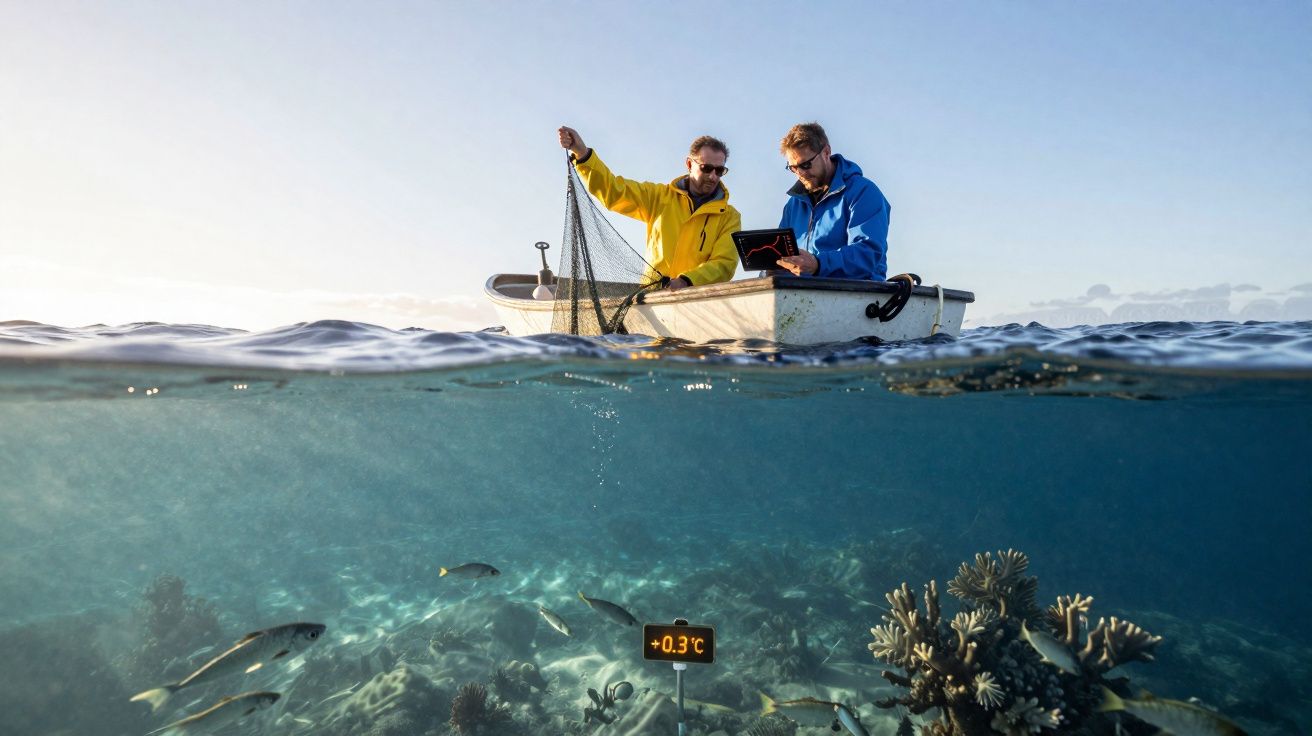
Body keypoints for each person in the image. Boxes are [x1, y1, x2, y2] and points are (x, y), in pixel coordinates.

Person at [558, 126, 741, 290]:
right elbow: (613, 191)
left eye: (719, 170)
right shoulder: (658, 197)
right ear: (689, 164)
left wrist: (687, 280)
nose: (713, 176)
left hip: (700, 304)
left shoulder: (730, 217)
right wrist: (582, 154)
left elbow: (725, 263)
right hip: (654, 299)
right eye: (706, 168)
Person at [775, 122, 891, 281]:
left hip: (858, 295)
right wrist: (774, 267)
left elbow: (868, 254)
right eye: (793, 168)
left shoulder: (864, 192)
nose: (800, 173)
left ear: (826, 152)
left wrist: (818, 264)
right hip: (803, 296)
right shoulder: (793, 205)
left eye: (805, 165)